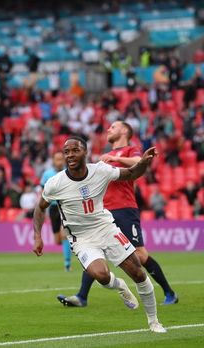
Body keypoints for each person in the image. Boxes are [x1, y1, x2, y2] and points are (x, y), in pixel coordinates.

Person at [32, 137, 166, 333]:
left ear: (85, 152)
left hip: (106, 228)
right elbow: (39, 208)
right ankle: (120, 286)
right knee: (101, 275)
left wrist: (144, 162)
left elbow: (131, 173)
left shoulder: (100, 170)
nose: (70, 155)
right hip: (81, 238)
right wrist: (37, 235)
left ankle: (154, 322)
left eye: (74, 150)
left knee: (138, 272)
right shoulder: (55, 183)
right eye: (66, 152)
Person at [57, 121, 178, 308]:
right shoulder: (105, 156)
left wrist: (116, 160)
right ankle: (82, 296)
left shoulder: (131, 149)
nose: (108, 129)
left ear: (124, 131)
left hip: (124, 209)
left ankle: (169, 292)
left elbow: (139, 164)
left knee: (139, 254)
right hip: (103, 211)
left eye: (113, 127)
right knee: (93, 249)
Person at [40, 151, 72, 271]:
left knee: (64, 235)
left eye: (61, 159)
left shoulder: (68, 172)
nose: (59, 161)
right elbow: (42, 192)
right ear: (53, 161)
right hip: (53, 208)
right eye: (57, 159)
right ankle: (72, 248)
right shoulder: (47, 174)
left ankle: (67, 264)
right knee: (57, 240)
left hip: (65, 206)